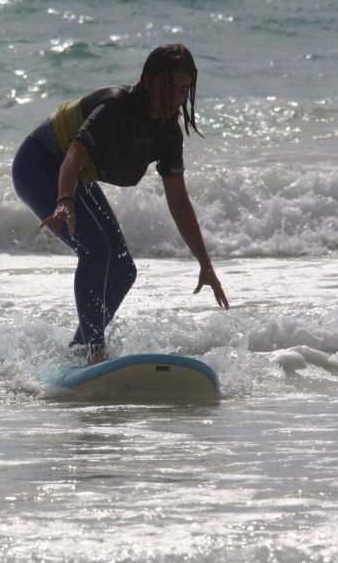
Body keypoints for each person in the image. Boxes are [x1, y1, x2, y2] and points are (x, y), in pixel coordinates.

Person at [12, 43, 229, 363]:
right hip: (39, 165)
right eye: (168, 87)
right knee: (96, 249)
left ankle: (78, 351)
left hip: (74, 178)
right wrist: (64, 200)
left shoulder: (168, 134)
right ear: (147, 80)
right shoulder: (116, 107)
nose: (175, 98)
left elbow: (179, 202)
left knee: (124, 270)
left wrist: (205, 264)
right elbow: (73, 156)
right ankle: (93, 352)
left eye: (183, 91)